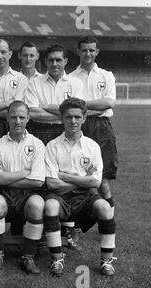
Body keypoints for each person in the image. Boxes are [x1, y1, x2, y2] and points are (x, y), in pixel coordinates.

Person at [44, 97, 116, 277]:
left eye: (77, 117)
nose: (73, 121)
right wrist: (81, 180)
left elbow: (96, 182)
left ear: (84, 118)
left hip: (85, 197)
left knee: (105, 208)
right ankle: (57, 259)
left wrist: (65, 176)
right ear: (62, 119)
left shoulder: (92, 146)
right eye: (68, 117)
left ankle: (107, 261)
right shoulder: (52, 146)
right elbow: (52, 183)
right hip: (60, 197)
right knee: (50, 205)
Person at [0, 100, 46, 274]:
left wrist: (6, 178)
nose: (17, 121)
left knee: (37, 205)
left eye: (22, 117)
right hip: (4, 194)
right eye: (13, 117)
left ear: (28, 118)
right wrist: (24, 172)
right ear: (7, 118)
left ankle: (28, 257)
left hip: (29, 194)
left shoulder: (37, 144)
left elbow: (37, 181)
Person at [70, 35, 118, 217]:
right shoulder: (70, 78)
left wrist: (81, 105)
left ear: (97, 52)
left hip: (101, 128)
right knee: (77, 178)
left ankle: (108, 220)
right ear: (78, 51)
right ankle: (72, 226)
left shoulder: (106, 75)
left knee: (103, 181)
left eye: (91, 50)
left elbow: (108, 102)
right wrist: (90, 107)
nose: (88, 53)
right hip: (77, 127)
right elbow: (70, 106)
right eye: (84, 50)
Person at [25, 44, 84, 146]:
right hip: (39, 131)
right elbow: (33, 112)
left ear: (65, 61)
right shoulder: (34, 83)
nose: (54, 63)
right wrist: (65, 114)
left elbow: (76, 111)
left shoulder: (76, 83)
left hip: (65, 131)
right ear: (46, 61)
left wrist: (45, 106)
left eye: (58, 60)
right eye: (51, 60)